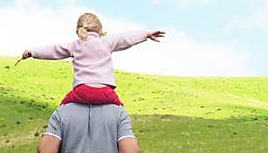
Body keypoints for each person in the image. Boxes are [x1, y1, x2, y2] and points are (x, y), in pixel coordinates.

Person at [22, 12, 165, 106]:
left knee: (62, 110)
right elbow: (125, 38)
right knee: (120, 114)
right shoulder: (106, 42)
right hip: (105, 92)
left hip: (81, 91)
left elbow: (53, 50)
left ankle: (56, 135)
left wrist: (33, 52)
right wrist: (146, 34)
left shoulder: (74, 45)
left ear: (79, 29)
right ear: (99, 29)